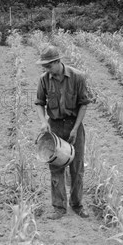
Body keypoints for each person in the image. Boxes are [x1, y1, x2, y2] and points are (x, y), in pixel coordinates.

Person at [35, 45, 91, 219]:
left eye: (48, 65)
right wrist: (44, 122)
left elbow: (83, 104)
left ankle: (77, 204)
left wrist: (75, 129)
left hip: (75, 125)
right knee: (56, 166)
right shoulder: (44, 79)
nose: (46, 69)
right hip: (55, 127)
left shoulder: (77, 77)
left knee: (77, 167)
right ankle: (59, 207)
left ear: (58, 61)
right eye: (44, 66)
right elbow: (39, 103)